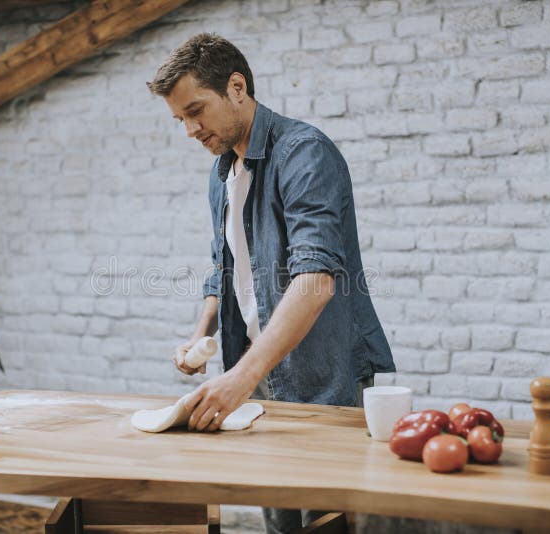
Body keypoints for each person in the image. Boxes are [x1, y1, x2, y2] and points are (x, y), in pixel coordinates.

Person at [147, 33, 395, 533]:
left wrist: (237, 379)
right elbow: (224, 266)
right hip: (259, 377)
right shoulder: (221, 174)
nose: (191, 130)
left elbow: (316, 279)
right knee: (280, 525)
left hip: (323, 378)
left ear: (236, 87)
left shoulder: (304, 153)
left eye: (197, 110)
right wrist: (201, 333)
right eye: (180, 120)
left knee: (325, 524)